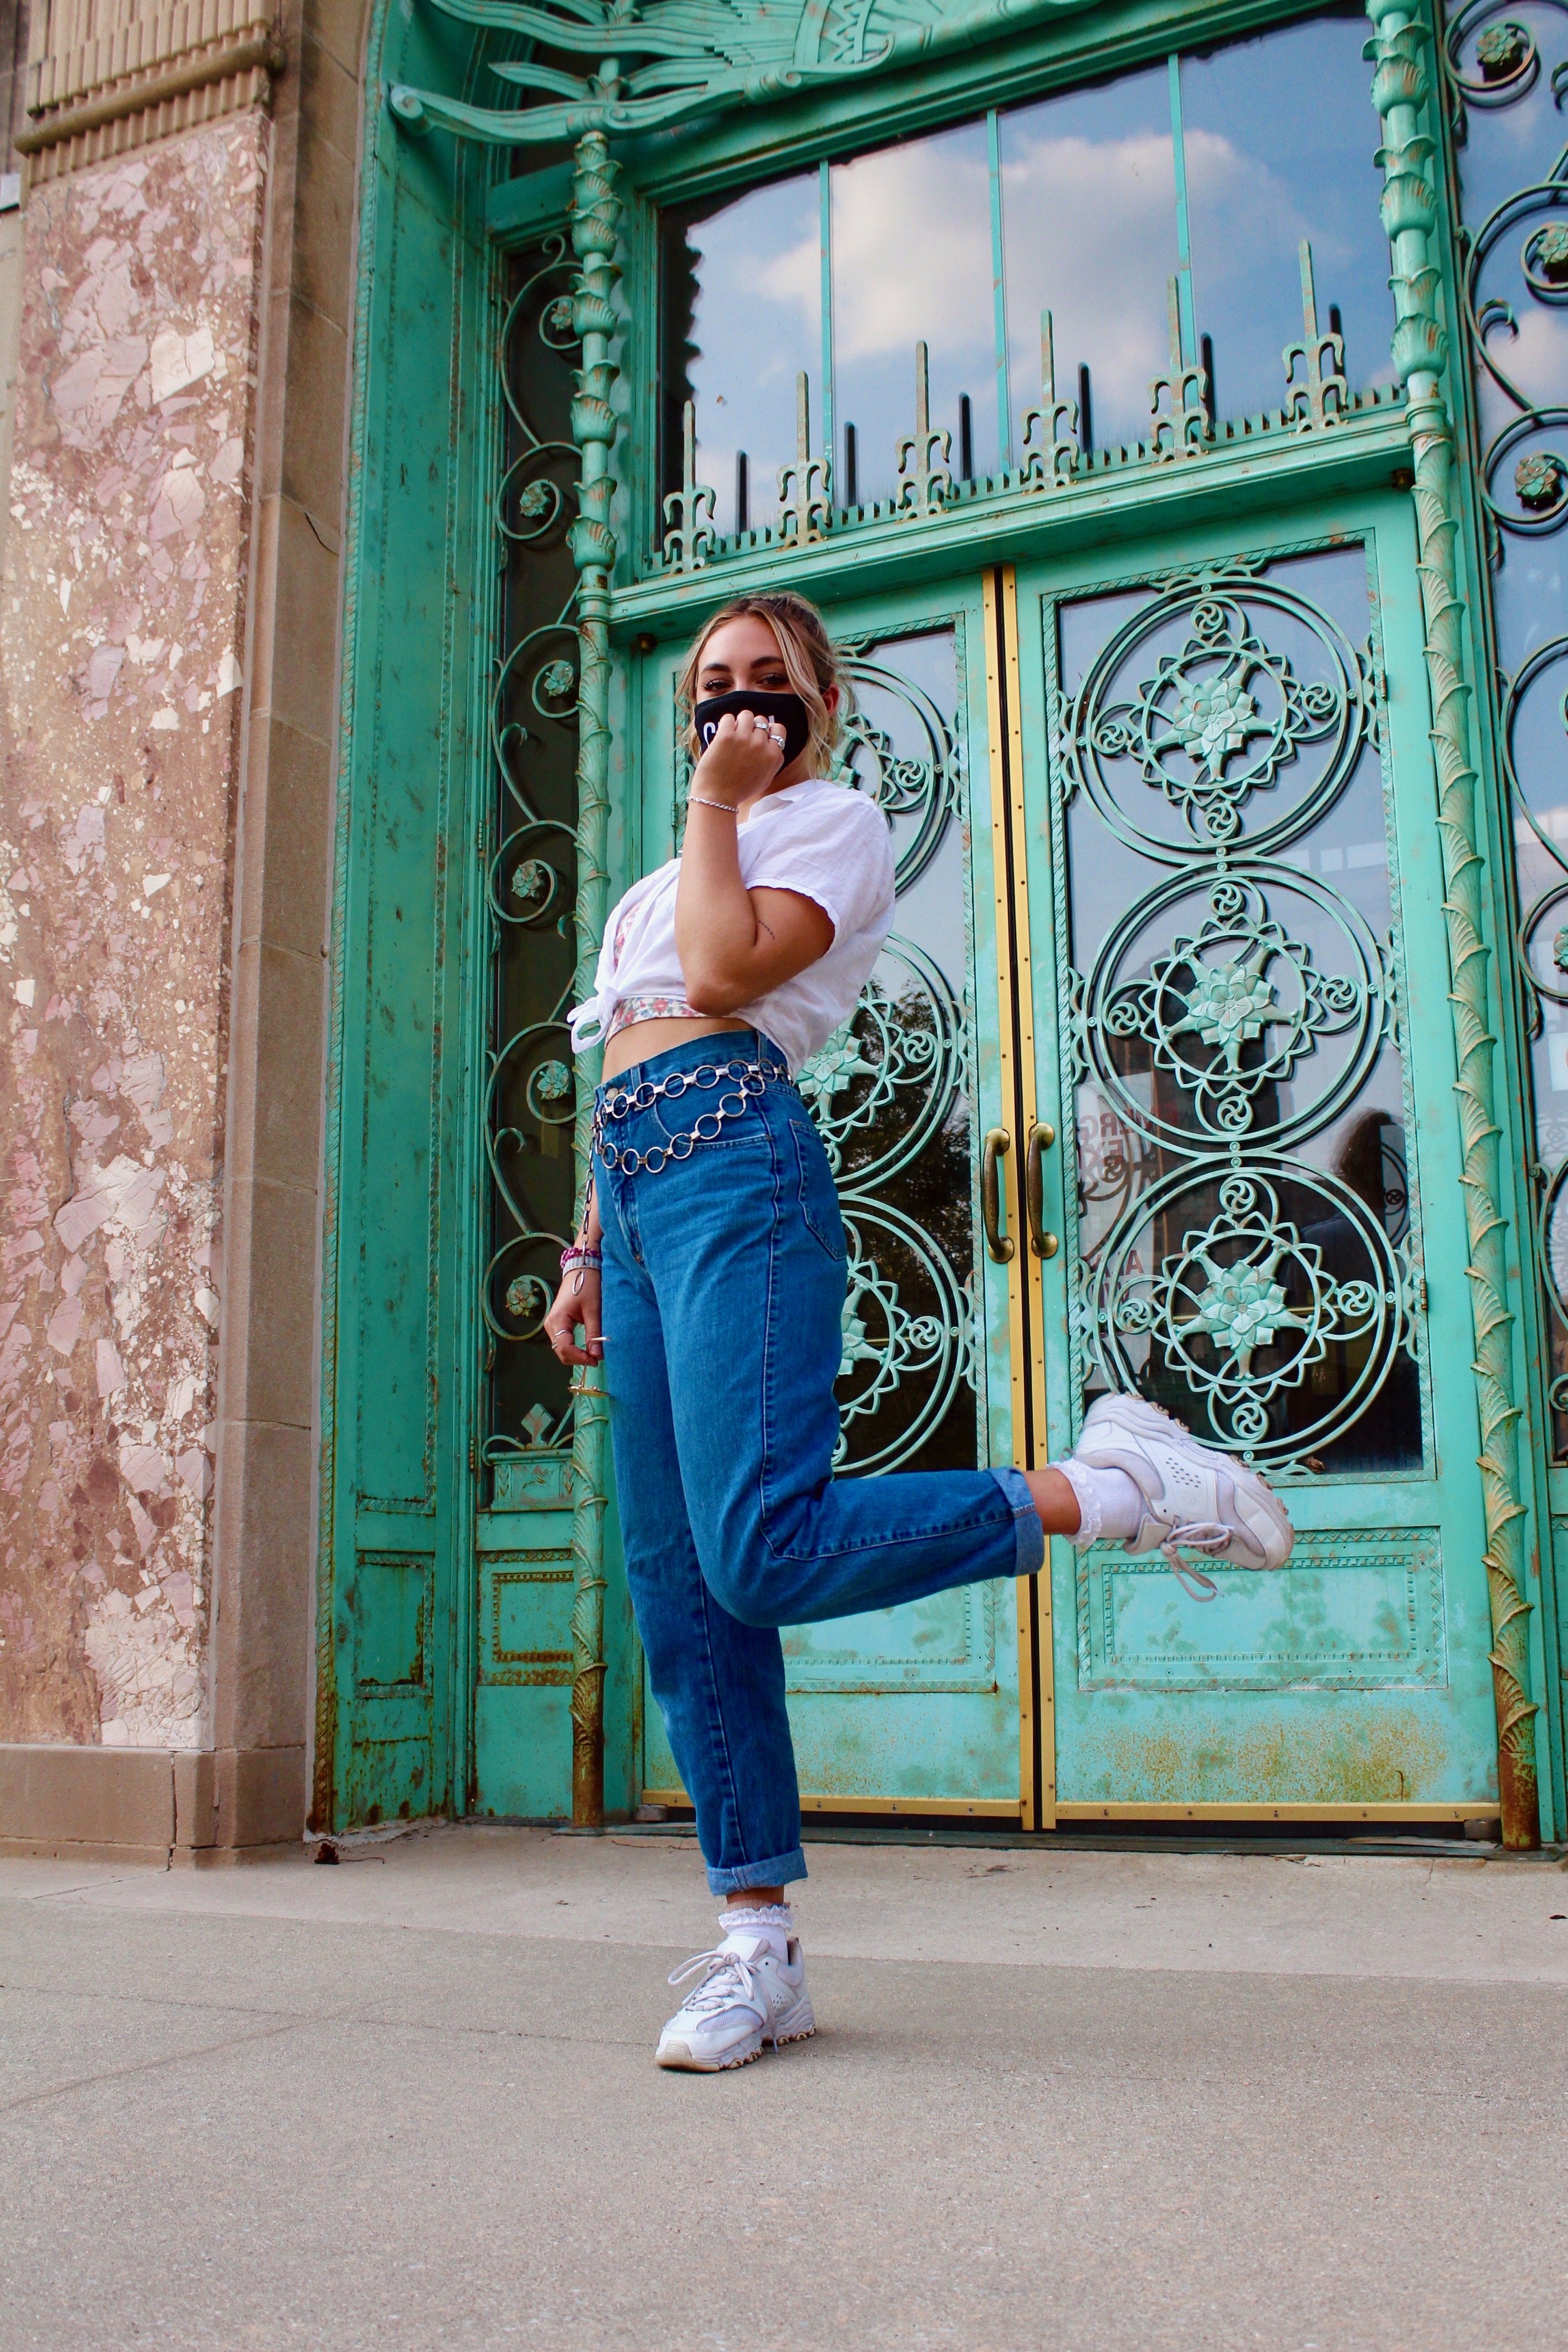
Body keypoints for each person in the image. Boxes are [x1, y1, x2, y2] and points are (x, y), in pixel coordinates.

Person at [545, 590, 1294, 2073]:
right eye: (711, 684)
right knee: (685, 1593)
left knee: (760, 1547)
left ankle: (1108, 1489)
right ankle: (757, 1950)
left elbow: (721, 980)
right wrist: (583, 1248)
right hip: (635, 1193)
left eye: (767, 680)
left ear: (820, 704)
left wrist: (721, 800)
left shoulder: (826, 825)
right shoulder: (671, 867)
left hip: (735, 1162)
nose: (734, 703)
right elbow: (629, 1031)